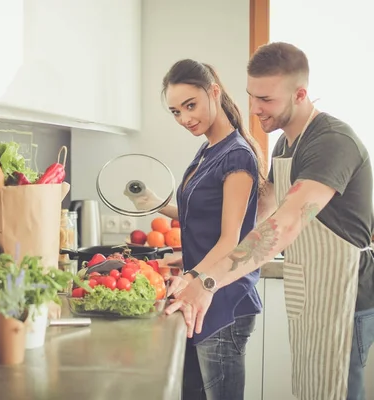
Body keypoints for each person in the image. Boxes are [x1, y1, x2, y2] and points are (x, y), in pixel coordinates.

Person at [166, 42, 374, 400]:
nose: (255, 109)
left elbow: (286, 224)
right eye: (251, 96)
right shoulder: (285, 145)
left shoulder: (331, 142)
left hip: (347, 294)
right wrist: (198, 260)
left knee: (334, 392)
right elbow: (257, 214)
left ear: (300, 93)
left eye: (266, 99)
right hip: (309, 290)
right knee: (310, 390)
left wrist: (208, 281)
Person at [131, 59, 267, 400]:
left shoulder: (236, 156)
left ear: (214, 93)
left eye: (190, 106)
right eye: (176, 111)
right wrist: (155, 202)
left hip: (223, 299)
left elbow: (229, 240)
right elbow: (200, 215)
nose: (185, 119)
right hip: (200, 294)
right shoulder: (208, 150)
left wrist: (191, 277)